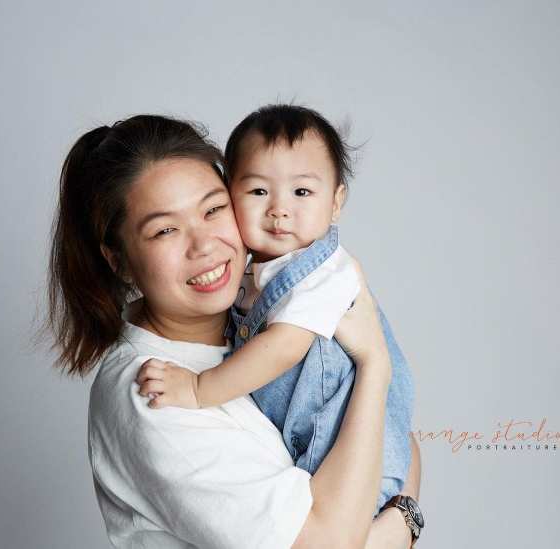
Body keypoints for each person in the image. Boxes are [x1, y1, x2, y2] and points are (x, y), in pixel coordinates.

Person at [45, 114, 421, 548]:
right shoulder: (153, 392)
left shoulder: (254, 320)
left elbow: (404, 444)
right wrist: (375, 366)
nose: (204, 244)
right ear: (119, 259)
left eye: (214, 209)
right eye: (165, 230)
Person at [135, 104, 414, 515]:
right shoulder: (253, 274)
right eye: (258, 191)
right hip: (310, 453)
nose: (279, 209)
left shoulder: (325, 272)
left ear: (336, 202)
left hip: (348, 457)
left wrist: (198, 390)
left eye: (302, 192)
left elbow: (284, 348)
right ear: (231, 196)